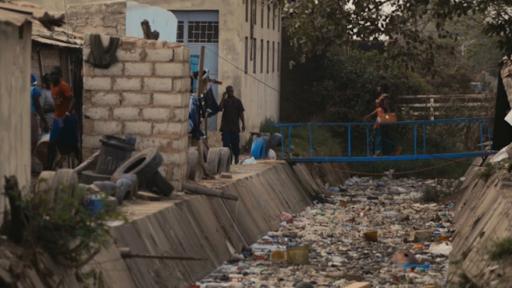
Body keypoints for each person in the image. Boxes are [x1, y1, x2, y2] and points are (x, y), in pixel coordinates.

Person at [47, 67, 80, 169]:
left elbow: (73, 100)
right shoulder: (52, 85)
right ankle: (48, 167)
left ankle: (81, 163)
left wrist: (67, 113)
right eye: (51, 75)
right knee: (52, 142)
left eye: (55, 74)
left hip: (67, 118)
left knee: (72, 143)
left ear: (60, 76)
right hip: (58, 118)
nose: (52, 77)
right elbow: (57, 102)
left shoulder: (64, 86)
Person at [219, 86, 245, 164]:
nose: (230, 92)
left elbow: (241, 114)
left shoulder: (237, 101)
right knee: (226, 144)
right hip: (226, 128)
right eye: (229, 91)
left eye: (231, 91)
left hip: (235, 128)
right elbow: (220, 108)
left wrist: (243, 124)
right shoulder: (225, 101)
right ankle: (228, 159)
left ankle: (236, 156)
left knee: (235, 145)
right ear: (227, 92)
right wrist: (222, 98)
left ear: (233, 91)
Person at [30, 74, 49, 151]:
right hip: (31, 117)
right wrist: (45, 121)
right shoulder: (34, 90)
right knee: (34, 140)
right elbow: (38, 107)